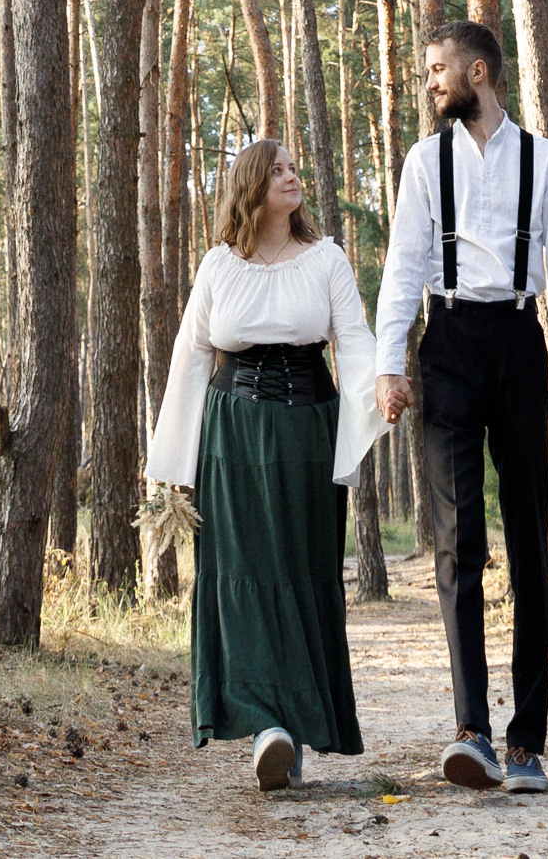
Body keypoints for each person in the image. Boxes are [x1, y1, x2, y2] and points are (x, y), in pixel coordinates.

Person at [374, 20, 548, 800]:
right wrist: (388, 365)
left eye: (437, 70)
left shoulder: (547, 161)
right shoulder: (423, 161)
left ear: (477, 71)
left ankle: (527, 744)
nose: (429, 82)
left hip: (519, 344)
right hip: (449, 341)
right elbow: (402, 266)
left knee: (529, 539)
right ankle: (471, 733)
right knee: (456, 539)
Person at [148, 135, 381, 794]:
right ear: (251, 185)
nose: (291, 175)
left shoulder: (326, 258)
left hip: (308, 428)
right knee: (243, 571)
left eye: (293, 166)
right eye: (276, 169)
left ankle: (295, 724)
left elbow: (355, 341)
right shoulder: (219, 264)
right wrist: (174, 462)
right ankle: (266, 728)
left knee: (302, 572)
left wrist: (377, 396)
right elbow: (192, 356)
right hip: (232, 432)